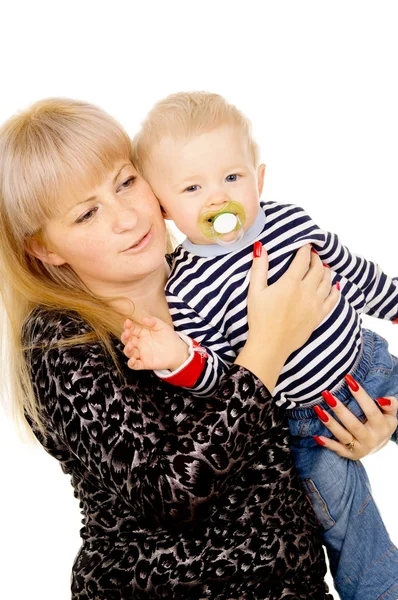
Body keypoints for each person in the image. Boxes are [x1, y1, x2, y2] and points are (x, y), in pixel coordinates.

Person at [0, 99, 395, 600]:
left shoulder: (209, 276)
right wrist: (268, 344)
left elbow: (284, 415)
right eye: (87, 214)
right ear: (46, 248)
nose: (126, 217)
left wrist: (352, 424)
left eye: (125, 182)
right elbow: (173, 492)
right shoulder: (61, 340)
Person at [121, 91, 398, 600]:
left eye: (232, 177)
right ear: (164, 209)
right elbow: (223, 380)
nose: (216, 198)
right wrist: (176, 360)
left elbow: (353, 274)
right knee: (351, 528)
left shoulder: (291, 221)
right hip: (307, 424)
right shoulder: (185, 289)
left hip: (371, 364)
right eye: (192, 187)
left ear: (259, 178)